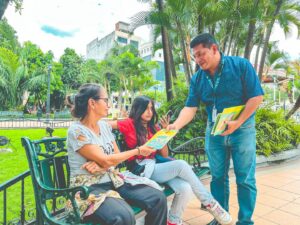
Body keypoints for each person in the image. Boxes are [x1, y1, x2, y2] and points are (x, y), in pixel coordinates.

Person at [167, 33, 264, 225]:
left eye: (201, 54)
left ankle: (245, 221)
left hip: (242, 129)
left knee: (245, 179)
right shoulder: (198, 79)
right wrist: (175, 126)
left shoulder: (241, 65)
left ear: (214, 49)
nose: (198, 59)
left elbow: (256, 97)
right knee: (218, 178)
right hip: (215, 131)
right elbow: (190, 107)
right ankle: (221, 218)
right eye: (195, 56)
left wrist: (239, 121)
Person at [109, 95, 233, 225]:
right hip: (140, 170)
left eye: (151, 108)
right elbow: (103, 124)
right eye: (146, 109)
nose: (149, 112)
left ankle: (173, 221)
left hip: (155, 167)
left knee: (185, 188)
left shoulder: (153, 127)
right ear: (138, 109)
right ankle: (210, 203)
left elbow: (164, 154)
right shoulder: (128, 123)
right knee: (181, 165)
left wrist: (163, 134)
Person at [66, 83, 168, 225]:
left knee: (158, 198)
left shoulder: (103, 126)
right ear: (92, 103)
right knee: (123, 216)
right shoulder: (77, 131)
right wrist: (138, 150)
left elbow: (116, 156)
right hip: (89, 188)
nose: (109, 104)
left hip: (114, 179)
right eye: (106, 100)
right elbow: (107, 160)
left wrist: (103, 165)